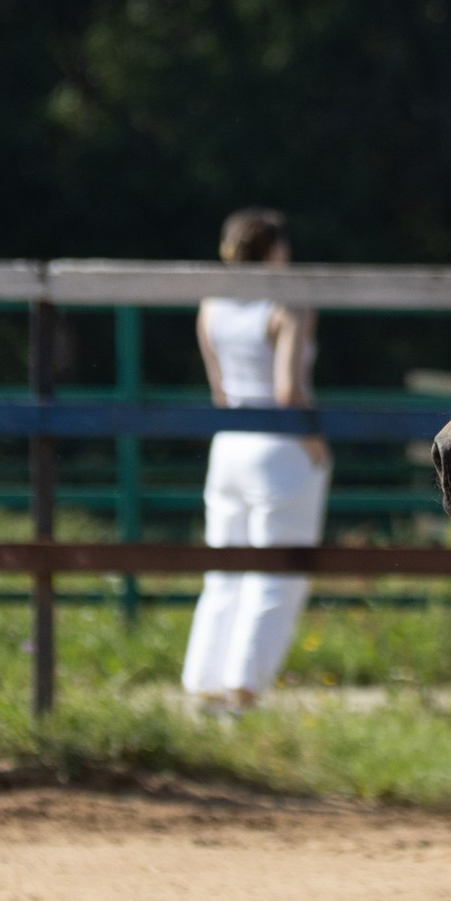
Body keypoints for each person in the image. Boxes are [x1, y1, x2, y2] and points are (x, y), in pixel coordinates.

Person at [180, 209, 328, 709]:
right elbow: (289, 390)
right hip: (278, 449)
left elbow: (219, 389)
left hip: (229, 445)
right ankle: (243, 690)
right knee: (275, 576)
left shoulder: (212, 304)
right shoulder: (289, 303)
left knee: (224, 571)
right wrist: (316, 447)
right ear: (276, 251)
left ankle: (204, 684)